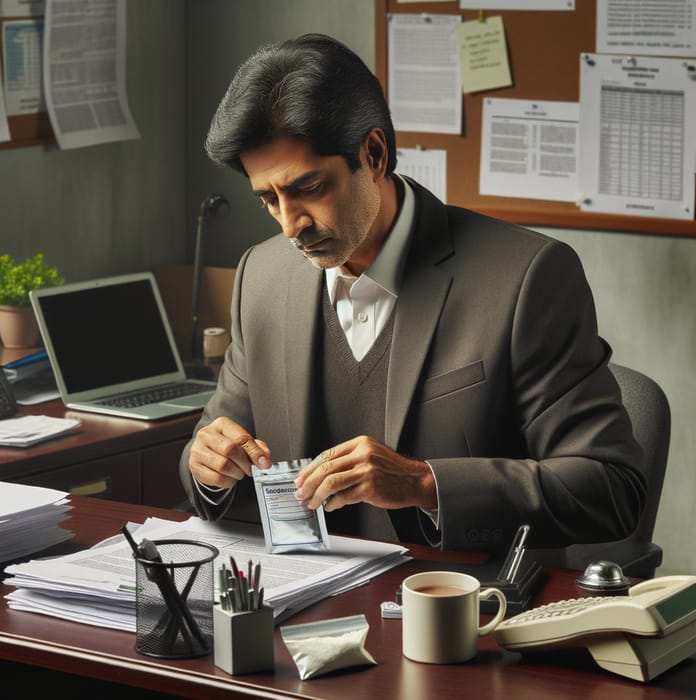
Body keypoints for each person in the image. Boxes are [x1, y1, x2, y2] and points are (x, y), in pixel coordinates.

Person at [179, 33, 646, 552]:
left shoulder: (527, 277)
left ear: (374, 154)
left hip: (461, 609)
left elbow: (610, 489)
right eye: (268, 197)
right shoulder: (261, 276)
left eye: (308, 188)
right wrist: (208, 468)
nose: (291, 225)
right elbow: (207, 459)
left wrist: (425, 484)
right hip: (305, 607)